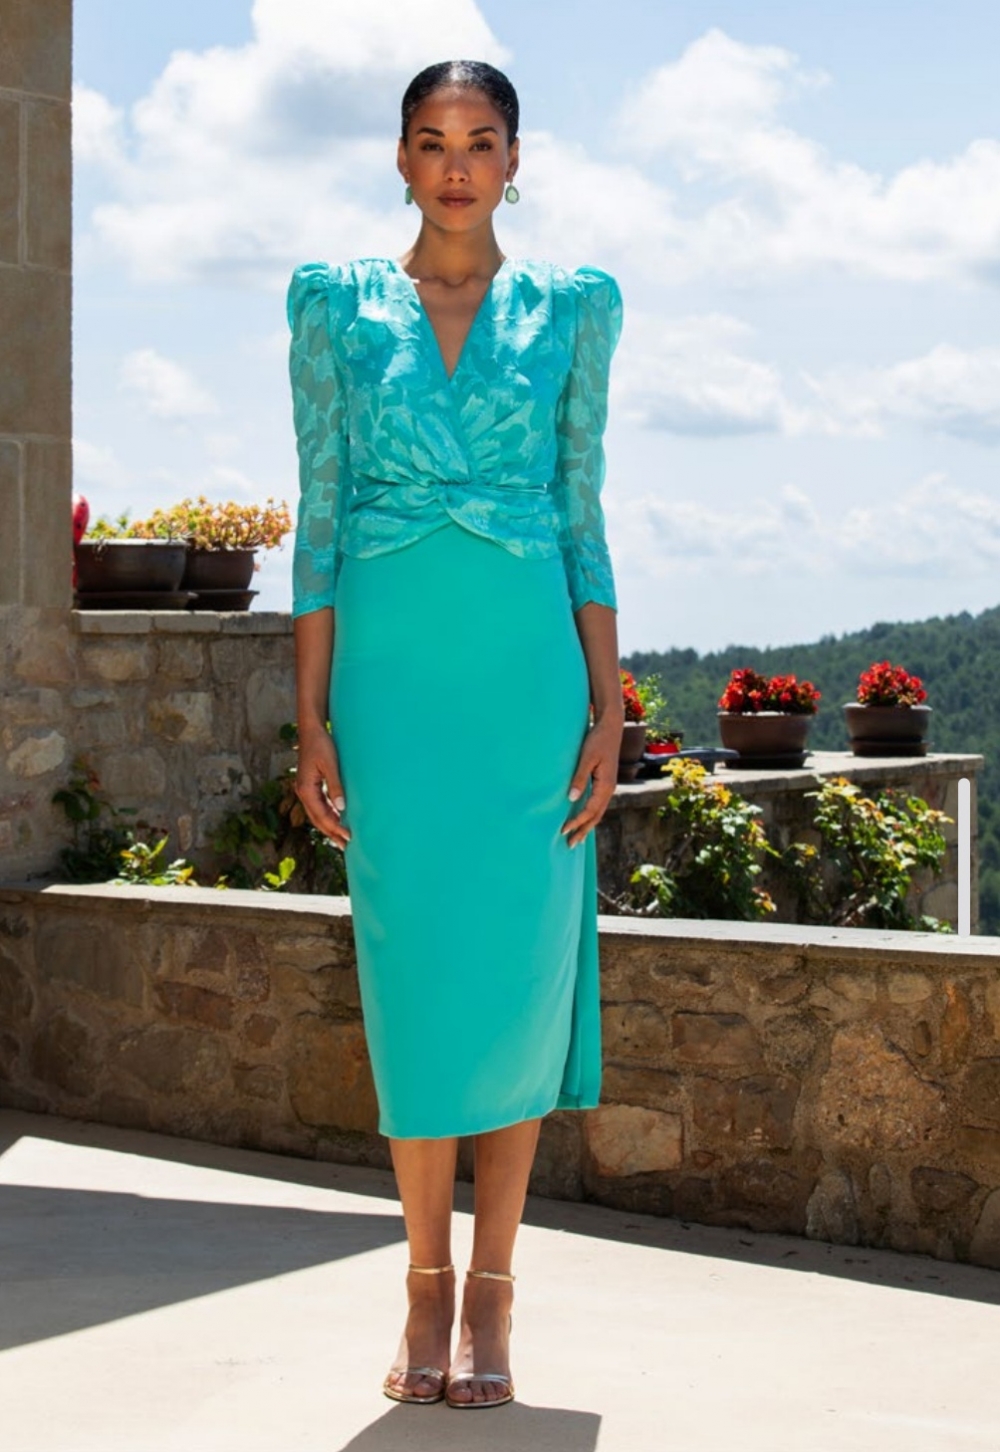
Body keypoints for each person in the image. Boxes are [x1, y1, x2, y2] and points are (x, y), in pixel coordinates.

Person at [286, 58, 624, 1411]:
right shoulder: (335, 305)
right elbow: (317, 515)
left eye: (482, 142)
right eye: (432, 141)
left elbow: (583, 512)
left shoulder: (573, 308)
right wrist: (310, 716)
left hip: (525, 687)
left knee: (518, 979)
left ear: (515, 160)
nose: (458, 166)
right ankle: (423, 1283)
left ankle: (494, 1295)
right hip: (391, 687)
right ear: (401, 159)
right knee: (416, 980)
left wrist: (609, 707)